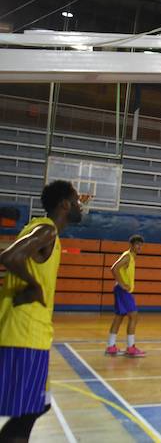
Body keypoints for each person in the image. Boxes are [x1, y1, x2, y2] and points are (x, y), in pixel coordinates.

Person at [0, 180, 83, 442]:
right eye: (77, 201)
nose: (81, 206)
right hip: (24, 334)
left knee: (39, 405)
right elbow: (9, 257)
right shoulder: (46, 231)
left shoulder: (45, 229)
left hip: (32, 334)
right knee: (28, 412)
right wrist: (35, 286)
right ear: (65, 205)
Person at [105, 235, 146, 357]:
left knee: (119, 317)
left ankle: (111, 346)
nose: (139, 247)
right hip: (122, 291)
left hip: (120, 290)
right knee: (134, 316)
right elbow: (114, 268)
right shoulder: (128, 256)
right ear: (131, 245)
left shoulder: (131, 257)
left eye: (141, 245)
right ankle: (130, 347)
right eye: (137, 244)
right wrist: (122, 284)